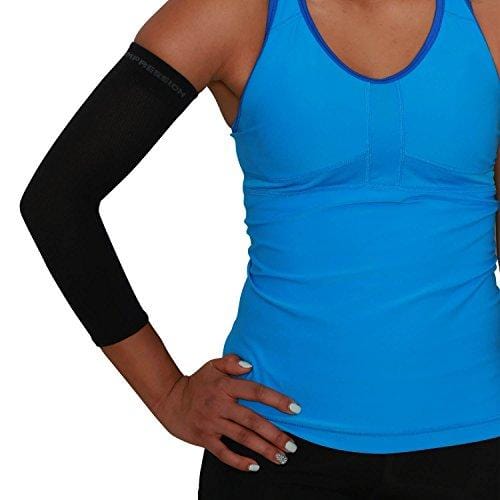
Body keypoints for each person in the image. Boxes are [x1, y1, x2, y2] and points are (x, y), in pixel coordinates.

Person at [20, 0, 499, 498]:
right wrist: (167, 395)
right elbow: (57, 200)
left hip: (479, 443)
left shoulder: (487, 15)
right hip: (274, 448)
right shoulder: (232, 13)